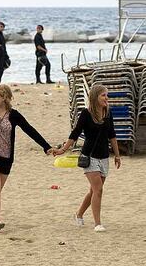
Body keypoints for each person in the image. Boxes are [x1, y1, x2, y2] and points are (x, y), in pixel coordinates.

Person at [0, 52, 53, 233]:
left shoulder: (14, 115)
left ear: (4, 97)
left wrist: (46, 147)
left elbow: (29, 129)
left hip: (7, 157)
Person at [53, 84, 121, 232]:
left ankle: (78, 214)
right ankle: (97, 223)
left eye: (106, 95)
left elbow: (112, 135)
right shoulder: (86, 114)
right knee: (98, 190)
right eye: (103, 95)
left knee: (93, 191)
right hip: (89, 157)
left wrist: (117, 155)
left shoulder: (108, 113)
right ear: (95, 97)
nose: (106, 98)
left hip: (104, 157)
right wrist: (63, 149)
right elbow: (75, 133)